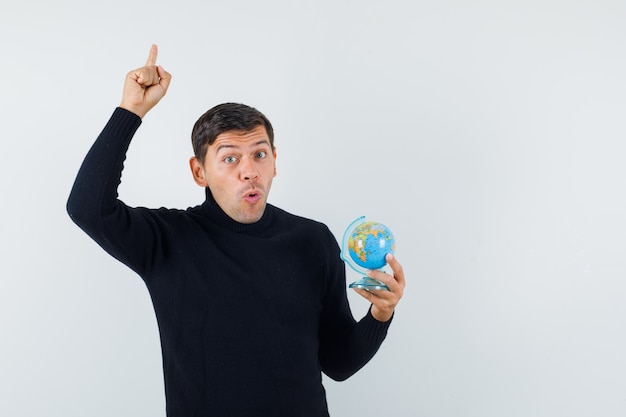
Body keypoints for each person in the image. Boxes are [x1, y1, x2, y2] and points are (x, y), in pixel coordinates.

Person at [67, 44, 405, 417]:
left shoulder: (313, 240)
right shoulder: (167, 239)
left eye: (260, 154)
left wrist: (380, 316)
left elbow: (339, 364)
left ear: (275, 162)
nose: (249, 170)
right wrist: (131, 110)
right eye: (230, 158)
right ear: (200, 172)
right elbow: (87, 207)